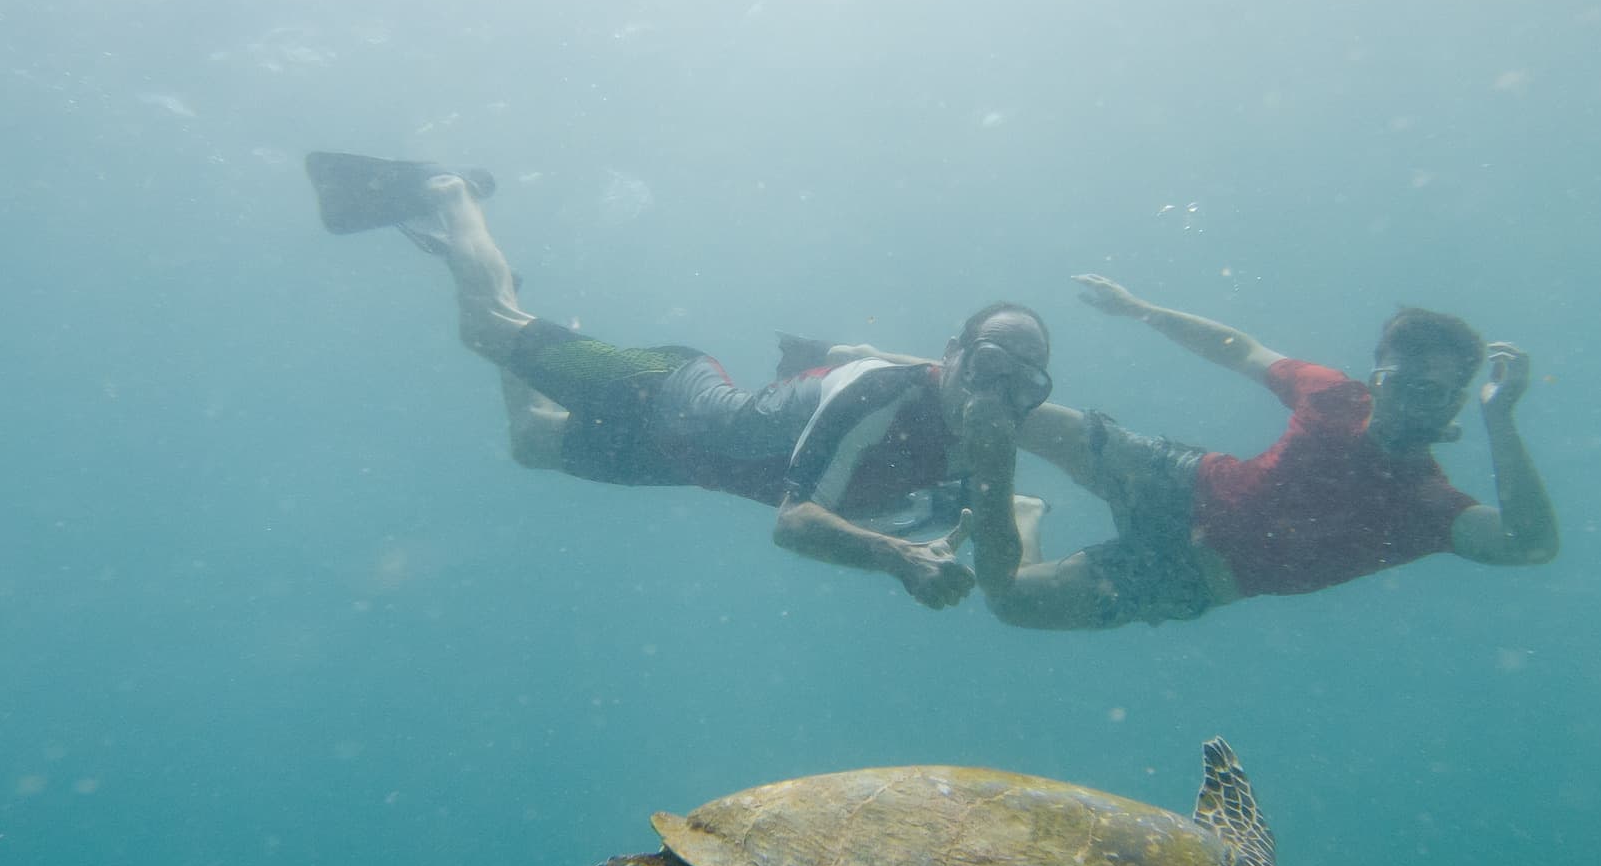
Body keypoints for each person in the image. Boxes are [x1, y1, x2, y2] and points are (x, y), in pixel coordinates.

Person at [303, 152, 1054, 609]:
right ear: (952, 354)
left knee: (529, 442)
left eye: (1023, 388)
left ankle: (508, 297)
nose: (999, 398)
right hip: (666, 391)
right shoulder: (881, 392)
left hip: (689, 464)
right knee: (482, 329)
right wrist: (896, 560)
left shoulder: (987, 466)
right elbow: (794, 524)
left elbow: (1001, 580)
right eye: (988, 370)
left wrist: (995, 483)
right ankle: (449, 192)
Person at [960, 274, 1559, 629]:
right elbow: (1237, 347)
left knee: (1007, 600)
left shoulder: (1428, 504)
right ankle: (896, 367)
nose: (1408, 403)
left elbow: (1528, 544)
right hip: (1178, 481)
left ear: (1457, 402)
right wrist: (1137, 308)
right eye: (1397, 382)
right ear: (1377, 375)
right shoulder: (1334, 396)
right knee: (1006, 409)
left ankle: (1026, 511)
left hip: (1186, 578)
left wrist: (1501, 419)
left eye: (1432, 393)